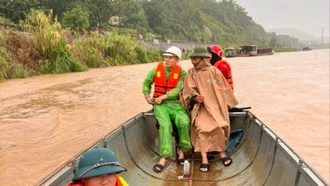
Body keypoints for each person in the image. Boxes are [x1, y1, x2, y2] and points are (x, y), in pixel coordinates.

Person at [180, 47, 238, 172]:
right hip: (200, 108)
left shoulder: (215, 72)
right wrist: (194, 98)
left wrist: (230, 104)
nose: (193, 61)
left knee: (219, 124)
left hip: (216, 107)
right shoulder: (191, 73)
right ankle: (204, 159)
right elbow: (187, 91)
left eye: (195, 59)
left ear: (203, 59)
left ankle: (222, 153)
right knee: (201, 128)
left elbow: (225, 89)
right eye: (192, 59)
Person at [142, 46, 192, 173]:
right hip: (160, 105)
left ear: (177, 60)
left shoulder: (182, 73)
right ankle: (163, 157)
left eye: (170, 57)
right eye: (166, 57)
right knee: (165, 125)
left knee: (184, 121)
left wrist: (163, 96)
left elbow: (178, 90)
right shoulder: (155, 70)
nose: (167, 60)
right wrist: (147, 96)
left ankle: (182, 151)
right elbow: (146, 83)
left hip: (175, 104)